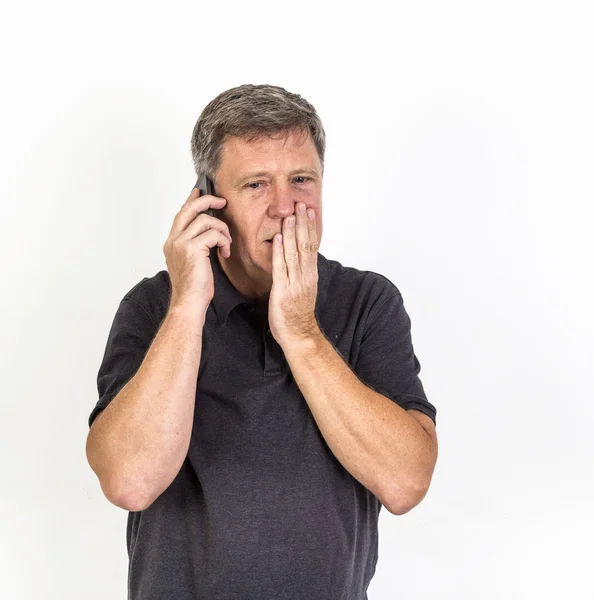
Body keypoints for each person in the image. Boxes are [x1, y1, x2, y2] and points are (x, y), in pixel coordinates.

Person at [85, 83, 438, 600]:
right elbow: (129, 481)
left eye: (301, 179)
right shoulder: (153, 306)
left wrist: (300, 332)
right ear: (208, 201)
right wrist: (188, 306)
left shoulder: (368, 301)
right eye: (256, 184)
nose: (284, 206)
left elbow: (406, 483)